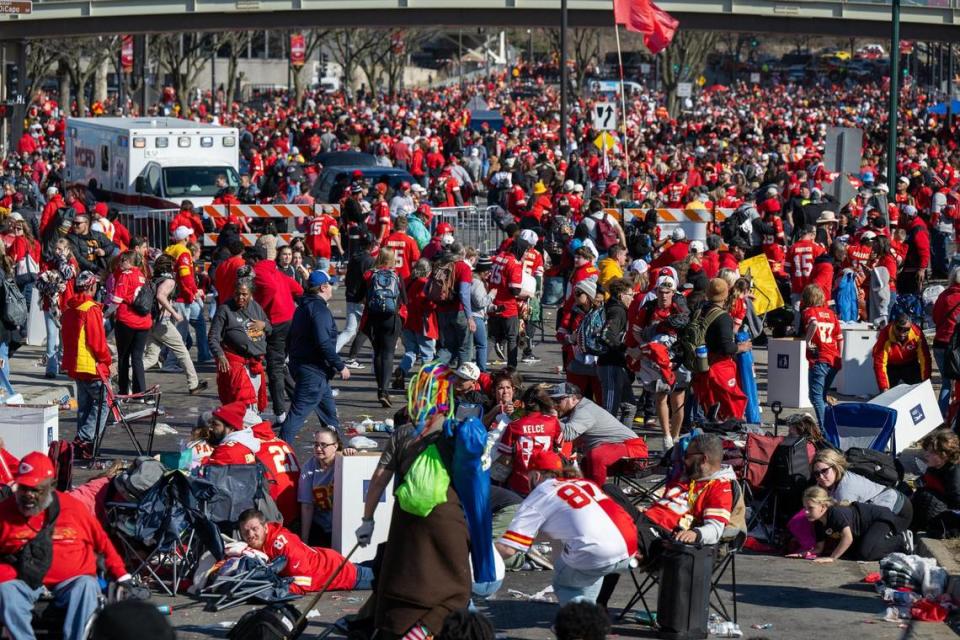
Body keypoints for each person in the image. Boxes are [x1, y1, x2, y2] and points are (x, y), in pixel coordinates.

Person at [356, 412, 471, 639]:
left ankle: (398, 630)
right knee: (456, 587)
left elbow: (379, 479)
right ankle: (426, 630)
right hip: (446, 515)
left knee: (401, 578)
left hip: (406, 519)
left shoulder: (402, 433)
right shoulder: (458, 431)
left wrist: (367, 520)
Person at [0, 452, 131, 640]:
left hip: (72, 581)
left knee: (86, 585)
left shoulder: (74, 509)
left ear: (50, 487)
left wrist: (122, 575)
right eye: (23, 488)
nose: (28, 494)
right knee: (6, 591)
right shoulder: (4, 512)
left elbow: (102, 542)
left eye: (36, 489)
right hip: (24, 580)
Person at [496, 450, 637, 605]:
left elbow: (508, 549)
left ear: (535, 476)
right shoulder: (585, 483)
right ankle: (592, 610)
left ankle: (582, 623)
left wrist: (472, 559)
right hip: (630, 547)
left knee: (564, 584)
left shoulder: (541, 493)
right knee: (585, 571)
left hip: (597, 552)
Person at [280, 270, 350, 444]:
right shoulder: (319, 310)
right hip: (313, 371)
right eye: (330, 284)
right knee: (296, 416)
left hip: (310, 371)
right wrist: (340, 365)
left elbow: (290, 337)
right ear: (323, 287)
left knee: (329, 416)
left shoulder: (302, 307)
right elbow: (324, 342)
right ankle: (280, 453)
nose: (332, 288)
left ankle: (340, 450)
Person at [238, 508, 373, 594]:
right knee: (380, 567)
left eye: (255, 529)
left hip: (338, 573)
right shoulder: (253, 546)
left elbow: (303, 581)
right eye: (245, 532)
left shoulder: (282, 543)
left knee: (386, 580)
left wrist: (276, 590)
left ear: (265, 528)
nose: (250, 534)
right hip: (328, 563)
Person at [550, 383, 647, 486]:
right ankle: (587, 490)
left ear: (573, 398)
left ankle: (597, 493)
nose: (555, 405)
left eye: (558, 400)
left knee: (596, 455)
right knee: (586, 463)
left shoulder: (584, 410)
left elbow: (568, 434)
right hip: (621, 448)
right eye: (553, 401)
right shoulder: (578, 410)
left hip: (634, 449)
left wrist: (551, 418)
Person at [250, 245, 303, 420]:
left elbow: (270, 290)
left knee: (274, 369)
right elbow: (298, 290)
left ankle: (280, 413)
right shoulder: (277, 272)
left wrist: (261, 310)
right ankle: (299, 399)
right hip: (291, 320)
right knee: (281, 364)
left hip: (277, 322)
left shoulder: (259, 271)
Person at [61, 271, 111, 459]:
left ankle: (84, 448)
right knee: (104, 403)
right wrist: (107, 360)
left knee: (85, 406)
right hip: (90, 365)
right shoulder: (90, 309)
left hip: (75, 364)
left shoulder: (70, 309)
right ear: (92, 287)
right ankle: (83, 438)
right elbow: (97, 341)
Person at [141, 255, 206, 395]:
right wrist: (175, 313)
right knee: (182, 352)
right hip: (163, 324)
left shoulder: (154, 279)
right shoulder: (169, 280)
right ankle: (193, 384)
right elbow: (160, 296)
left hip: (151, 322)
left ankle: (126, 373)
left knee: (151, 358)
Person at [797, 486, 911, 562]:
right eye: (805, 508)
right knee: (853, 554)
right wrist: (802, 554)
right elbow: (819, 548)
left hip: (879, 519)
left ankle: (900, 541)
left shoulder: (835, 513)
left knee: (865, 554)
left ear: (823, 506)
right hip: (863, 530)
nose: (806, 512)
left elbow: (847, 538)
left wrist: (832, 558)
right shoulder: (818, 522)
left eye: (810, 508)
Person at [810, 448, 912, 531]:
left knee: (865, 551)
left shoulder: (844, 490)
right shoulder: (832, 482)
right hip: (886, 506)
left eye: (824, 471)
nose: (821, 477)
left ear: (835, 467)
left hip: (898, 510)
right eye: (817, 474)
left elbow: (849, 526)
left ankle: (900, 540)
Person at [209, 278, 271, 411]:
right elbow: (213, 337)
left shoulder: (256, 307)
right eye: (237, 293)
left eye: (244, 294)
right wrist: (220, 355)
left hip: (255, 362)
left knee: (253, 404)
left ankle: (250, 428)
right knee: (240, 403)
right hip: (236, 365)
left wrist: (264, 325)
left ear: (250, 294)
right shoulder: (225, 309)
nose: (240, 297)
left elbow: (269, 327)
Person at [692, 278, 748, 421]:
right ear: (726, 294)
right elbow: (727, 347)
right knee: (732, 403)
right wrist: (741, 347)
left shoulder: (700, 310)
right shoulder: (723, 317)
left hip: (701, 364)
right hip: (720, 367)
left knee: (709, 405)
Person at [361, 247, 407, 407]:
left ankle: (380, 388)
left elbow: (362, 296)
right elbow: (405, 300)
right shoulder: (397, 274)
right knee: (388, 354)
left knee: (378, 353)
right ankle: (384, 391)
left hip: (373, 318)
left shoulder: (369, 274)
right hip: (391, 318)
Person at [498, 385, 565, 495]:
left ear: (524, 404)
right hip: (545, 483)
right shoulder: (553, 422)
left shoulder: (514, 425)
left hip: (520, 483)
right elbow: (559, 446)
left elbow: (505, 459)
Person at [298, 426, 358, 546]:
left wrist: (355, 456)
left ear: (335, 446)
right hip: (320, 524)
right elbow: (307, 506)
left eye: (323, 445)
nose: (318, 448)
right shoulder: (309, 467)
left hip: (344, 526)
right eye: (316, 444)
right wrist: (304, 540)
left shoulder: (344, 461)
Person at [109, 251, 151, 396]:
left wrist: (104, 315)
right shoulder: (142, 275)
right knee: (138, 358)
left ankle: (123, 391)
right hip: (144, 322)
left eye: (122, 261)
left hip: (127, 320)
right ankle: (141, 391)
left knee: (123, 357)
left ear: (127, 261)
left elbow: (116, 300)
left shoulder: (125, 275)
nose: (120, 264)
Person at [800, 283, 842, 427]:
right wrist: (840, 357)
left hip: (820, 358)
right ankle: (832, 425)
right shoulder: (831, 313)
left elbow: (813, 324)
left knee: (815, 397)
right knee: (822, 396)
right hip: (834, 359)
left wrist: (807, 341)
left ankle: (825, 431)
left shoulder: (809, 312)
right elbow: (840, 338)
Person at [597, 278, 635, 426]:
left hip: (618, 365)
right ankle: (606, 443)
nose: (632, 298)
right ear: (621, 295)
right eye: (630, 295)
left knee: (630, 406)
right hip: (610, 364)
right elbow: (606, 335)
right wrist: (627, 349)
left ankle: (624, 441)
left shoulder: (614, 308)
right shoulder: (617, 310)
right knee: (609, 409)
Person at [396, 258, 438, 388]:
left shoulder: (407, 280)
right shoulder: (424, 283)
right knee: (427, 353)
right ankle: (426, 382)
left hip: (407, 321)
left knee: (411, 351)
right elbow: (427, 303)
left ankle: (401, 370)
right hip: (422, 323)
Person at [435, 242, 476, 368]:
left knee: (447, 347)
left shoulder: (440, 265)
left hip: (442, 310)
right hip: (459, 312)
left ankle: (431, 372)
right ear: (462, 253)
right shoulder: (464, 268)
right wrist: (470, 317)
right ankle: (462, 381)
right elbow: (464, 293)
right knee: (465, 348)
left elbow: (427, 289)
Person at [911, 429, 960, 533]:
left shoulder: (954, 475)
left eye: (932, 452)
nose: (926, 454)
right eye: (927, 450)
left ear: (944, 455)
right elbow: (922, 482)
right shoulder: (934, 468)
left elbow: (956, 504)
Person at [872, 313, 931, 392]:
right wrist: (884, 388)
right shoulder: (885, 335)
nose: (902, 333)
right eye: (899, 328)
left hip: (910, 364)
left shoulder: (917, 333)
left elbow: (925, 359)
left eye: (906, 330)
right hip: (891, 366)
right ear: (893, 325)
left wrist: (926, 382)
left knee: (919, 389)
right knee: (887, 393)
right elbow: (880, 363)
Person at [932, 270, 960, 413]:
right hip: (956, 346)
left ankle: (941, 416)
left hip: (939, 343)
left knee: (946, 382)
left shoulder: (944, 295)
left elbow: (935, 317)